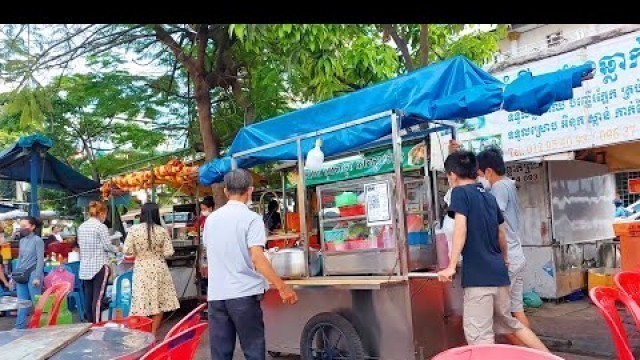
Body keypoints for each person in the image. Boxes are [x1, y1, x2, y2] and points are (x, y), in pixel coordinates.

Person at [437, 151, 548, 351]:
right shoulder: (488, 196)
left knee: (481, 339)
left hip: (479, 279)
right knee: (511, 325)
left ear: (452, 175)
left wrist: (451, 266)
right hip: (499, 275)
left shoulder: (460, 193)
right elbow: (501, 233)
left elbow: (460, 228)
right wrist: (504, 258)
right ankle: (549, 357)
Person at [204, 169, 298, 360]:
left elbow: (212, 252)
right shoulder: (251, 219)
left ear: (225, 191)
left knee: (220, 354)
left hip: (216, 296)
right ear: (250, 190)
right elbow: (257, 257)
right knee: (253, 350)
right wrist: (282, 287)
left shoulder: (211, 219)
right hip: (243, 296)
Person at [477, 146, 532, 344]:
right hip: (518, 255)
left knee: (501, 317)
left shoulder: (499, 187)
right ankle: (532, 352)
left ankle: (524, 354)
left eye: (479, 175)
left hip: (508, 258)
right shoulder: (509, 184)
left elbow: (493, 218)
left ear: (488, 171)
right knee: (516, 310)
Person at [123, 202, 180, 336]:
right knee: (158, 303)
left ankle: (140, 334)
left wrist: (139, 252)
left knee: (140, 303)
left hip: (142, 269)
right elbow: (169, 252)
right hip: (159, 268)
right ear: (156, 214)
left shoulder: (134, 230)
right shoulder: (161, 231)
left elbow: (127, 250)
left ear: (142, 213)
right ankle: (152, 334)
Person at [78, 201, 120, 323]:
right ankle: (96, 325)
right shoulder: (101, 227)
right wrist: (118, 249)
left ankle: (89, 324)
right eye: (105, 214)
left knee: (88, 298)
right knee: (98, 299)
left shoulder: (82, 227)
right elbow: (107, 246)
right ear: (101, 213)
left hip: (85, 268)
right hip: (99, 266)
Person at [14, 216, 45, 329]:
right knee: (22, 302)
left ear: (32, 227)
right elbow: (20, 258)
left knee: (36, 302)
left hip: (33, 274)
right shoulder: (21, 241)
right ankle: (19, 326)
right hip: (21, 274)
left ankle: (39, 326)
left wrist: (37, 276)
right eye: (21, 226)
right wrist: (14, 275)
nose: (22, 228)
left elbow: (40, 260)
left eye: (24, 226)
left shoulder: (38, 240)